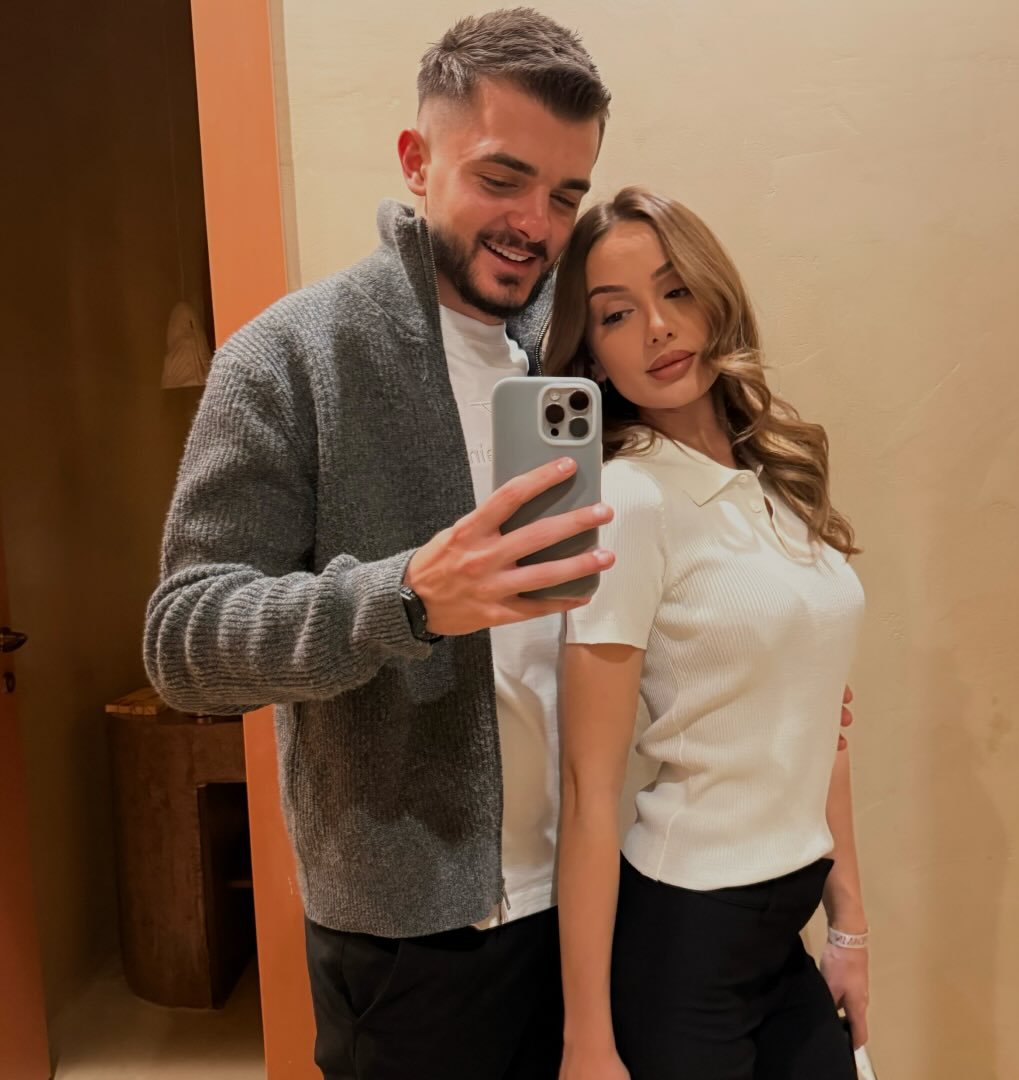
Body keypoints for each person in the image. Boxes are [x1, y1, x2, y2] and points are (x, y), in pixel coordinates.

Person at [144, 10, 614, 1079]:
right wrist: (403, 600)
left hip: (604, 892)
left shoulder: (583, 343)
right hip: (416, 938)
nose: (535, 224)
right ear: (416, 160)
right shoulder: (290, 358)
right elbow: (183, 642)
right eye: (502, 178)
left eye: (564, 195)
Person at [546, 187, 870, 1080]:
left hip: (784, 926)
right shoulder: (630, 500)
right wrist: (587, 1041)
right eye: (617, 314)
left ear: (714, 293)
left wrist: (850, 927)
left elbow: (826, 727)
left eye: (675, 290)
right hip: (687, 937)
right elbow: (589, 788)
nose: (657, 327)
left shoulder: (774, 480)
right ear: (593, 352)